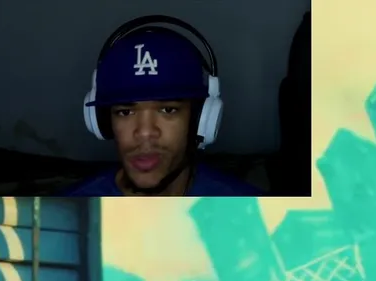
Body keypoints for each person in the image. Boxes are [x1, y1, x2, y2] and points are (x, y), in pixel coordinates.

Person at [62, 17, 259, 197]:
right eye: (125, 112)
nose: (145, 132)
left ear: (200, 120)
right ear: (102, 123)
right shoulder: (69, 202)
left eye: (168, 110)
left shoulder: (249, 210)